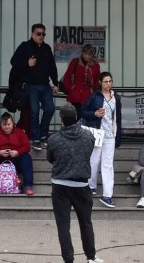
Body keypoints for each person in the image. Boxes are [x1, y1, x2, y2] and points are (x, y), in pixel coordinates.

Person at [47, 104, 104, 263]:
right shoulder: (88, 136)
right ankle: (91, 257)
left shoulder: (53, 139)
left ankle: (68, 259)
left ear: (62, 120)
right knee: (86, 222)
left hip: (60, 186)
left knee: (63, 225)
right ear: (77, 118)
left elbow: (51, 159)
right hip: (81, 186)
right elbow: (88, 153)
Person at [10, 23, 60, 151]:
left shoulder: (47, 48)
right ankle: (36, 139)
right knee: (34, 112)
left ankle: (43, 135)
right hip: (31, 85)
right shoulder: (25, 46)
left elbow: (52, 66)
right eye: (38, 34)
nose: (41, 36)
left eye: (43, 34)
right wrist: (27, 63)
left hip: (45, 84)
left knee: (50, 109)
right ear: (32, 34)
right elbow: (13, 61)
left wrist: (55, 82)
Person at [81, 71, 122, 208]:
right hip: (97, 133)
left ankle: (107, 195)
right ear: (100, 82)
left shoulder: (116, 97)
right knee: (94, 160)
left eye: (110, 81)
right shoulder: (94, 96)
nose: (108, 84)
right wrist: (94, 114)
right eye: (105, 81)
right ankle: (91, 186)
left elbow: (118, 118)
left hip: (110, 134)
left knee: (108, 165)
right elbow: (83, 112)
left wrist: (118, 136)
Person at [0, 112, 34, 195]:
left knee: (26, 157)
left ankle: (28, 186)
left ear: (13, 123)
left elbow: (27, 146)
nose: (7, 127)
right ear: (1, 125)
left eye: (9, 124)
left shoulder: (20, 132)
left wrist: (17, 152)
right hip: (0, 158)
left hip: (15, 158)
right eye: (4, 125)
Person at [62, 44, 101, 118]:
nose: (87, 56)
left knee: (87, 118)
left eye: (89, 54)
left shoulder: (96, 65)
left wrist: (95, 94)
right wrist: (71, 90)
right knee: (77, 118)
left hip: (89, 96)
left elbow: (97, 81)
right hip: (76, 95)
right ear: (82, 53)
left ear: (92, 55)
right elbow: (67, 77)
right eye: (85, 54)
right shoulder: (75, 62)